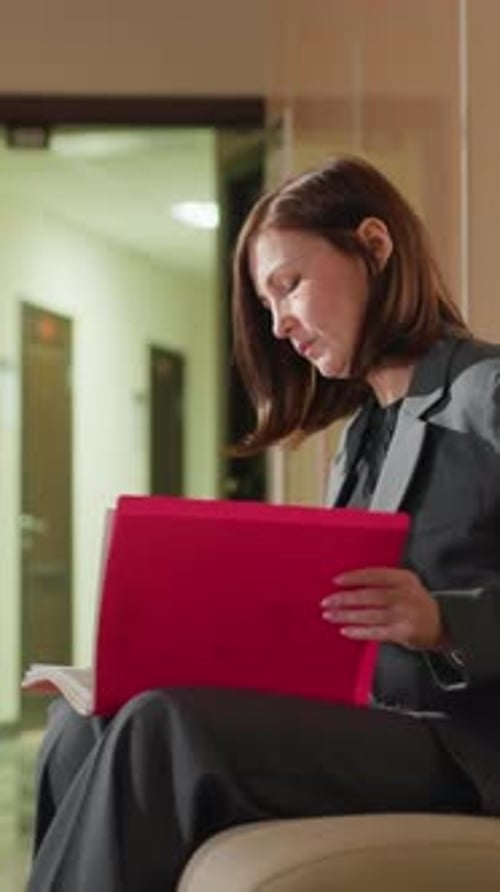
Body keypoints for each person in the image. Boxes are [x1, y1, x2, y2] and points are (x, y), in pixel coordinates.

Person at [27, 155, 500, 892]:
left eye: (290, 285)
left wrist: (443, 621)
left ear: (374, 246)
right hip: (371, 723)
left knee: (163, 731)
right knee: (79, 725)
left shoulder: (490, 393)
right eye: (266, 302)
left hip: (467, 744)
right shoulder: (360, 442)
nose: (279, 324)